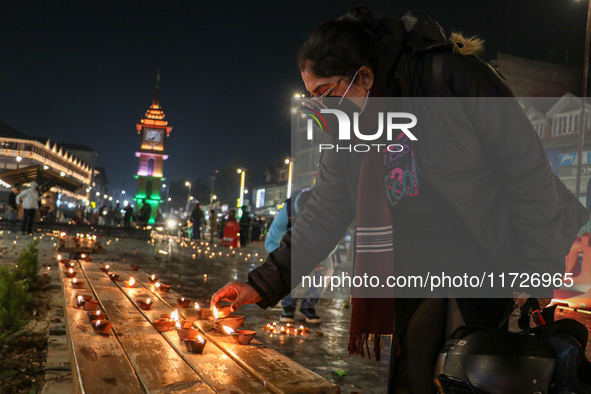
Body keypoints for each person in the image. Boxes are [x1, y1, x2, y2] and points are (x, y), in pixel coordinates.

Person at [211, 8, 590, 393]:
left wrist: (537, 265)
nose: (319, 109)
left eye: (324, 94)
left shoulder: (448, 77)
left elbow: (526, 173)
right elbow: (322, 214)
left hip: (487, 255)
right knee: (417, 376)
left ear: (363, 76)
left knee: (478, 373)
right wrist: (260, 285)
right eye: (312, 99)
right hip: (416, 267)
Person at [265, 190, 329, 323]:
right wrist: (288, 257)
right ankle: (288, 305)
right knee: (288, 266)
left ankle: (308, 305)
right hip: (292, 245)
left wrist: (318, 258)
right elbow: (270, 241)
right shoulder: (286, 212)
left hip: (316, 245)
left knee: (327, 268)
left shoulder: (325, 211)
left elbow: (332, 240)